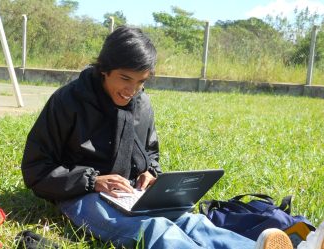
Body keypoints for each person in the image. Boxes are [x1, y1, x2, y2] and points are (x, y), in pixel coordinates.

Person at [21, 26, 316, 249]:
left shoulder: (141, 103)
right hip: (80, 195)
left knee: (190, 219)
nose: (131, 90)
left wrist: (151, 175)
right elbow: (36, 168)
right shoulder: (68, 101)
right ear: (103, 69)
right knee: (154, 228)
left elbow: (151, 154)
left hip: (131, 194)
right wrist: (93, 180)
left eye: (141, 82)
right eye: (125, 79)